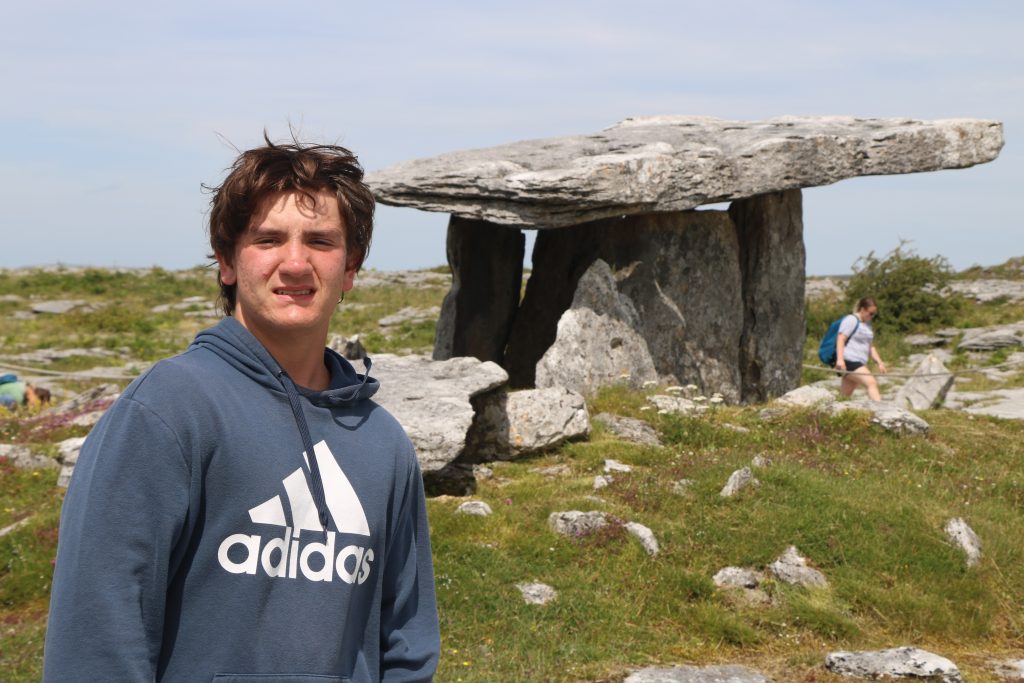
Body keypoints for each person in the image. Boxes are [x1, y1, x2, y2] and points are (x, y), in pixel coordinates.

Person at [43, 138, 440, 681]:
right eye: (269, 239)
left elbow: (408, 642)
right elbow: (98, 635)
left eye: (321, 241)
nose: (295, 263)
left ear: (350, 269)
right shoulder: (167, 411)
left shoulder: (381, 440)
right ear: (228, 261)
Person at [835, 296, 888, 401]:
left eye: (874, 314)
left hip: (859, 361)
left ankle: (830, 414)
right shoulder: (851, 320)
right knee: (871, 383)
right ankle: (881, 412)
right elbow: (841, 338)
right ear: (862, 309)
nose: (872, 316)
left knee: (844, 397)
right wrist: (840, 360)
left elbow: (870, 346)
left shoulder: (867, 325)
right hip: (849, 360)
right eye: (870, 313)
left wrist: (879, 362)